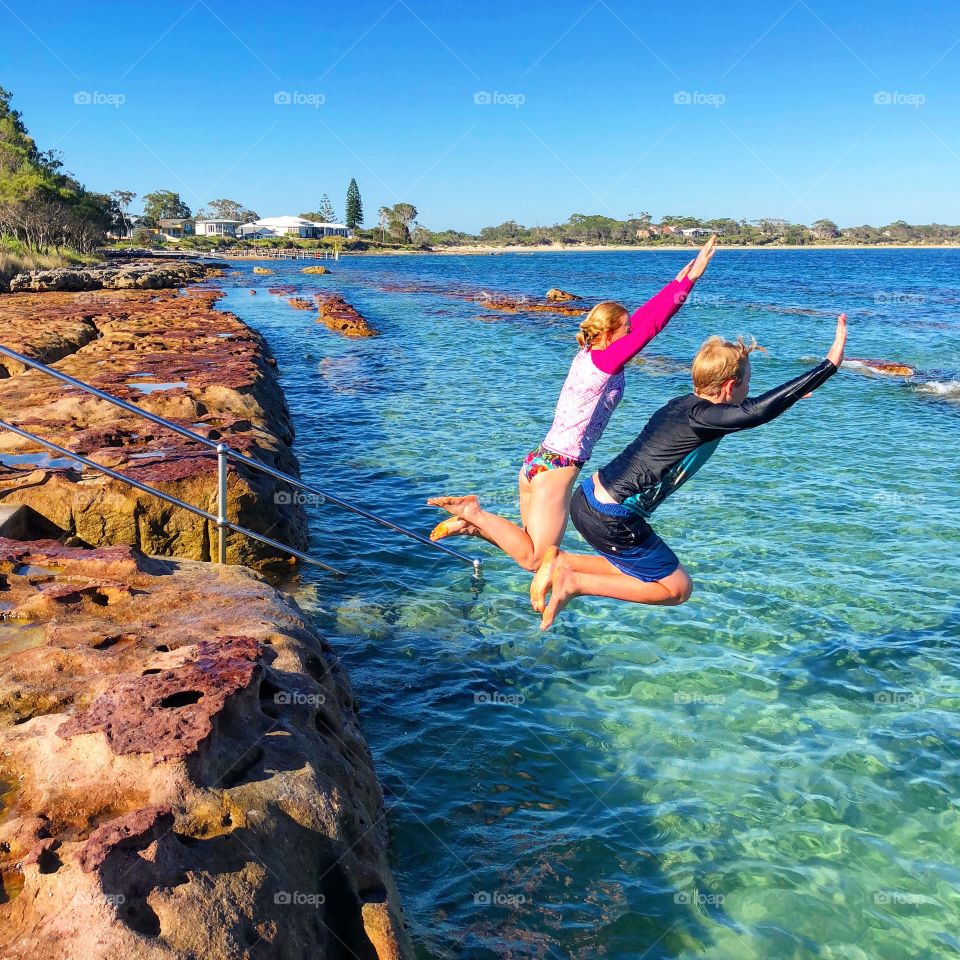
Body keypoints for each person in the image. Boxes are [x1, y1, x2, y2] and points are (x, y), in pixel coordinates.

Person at [531, 313, 849, 630]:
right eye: (748, 383)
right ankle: (573, 582)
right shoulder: (706, 418)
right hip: (610, 517)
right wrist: (828, 366)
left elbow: (750, 409)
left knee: (644, 571)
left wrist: (787, 398)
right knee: (677, 588)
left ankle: (564, 562)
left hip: (588, 498)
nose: (750, 391)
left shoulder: (682, 404)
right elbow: (755, 412)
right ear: (728, 386)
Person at [426, 235, 719, 571]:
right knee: (537, 560)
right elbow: (653, 325)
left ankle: (471, 526)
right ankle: (473, 511)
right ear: (610, 335)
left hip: (538, 461)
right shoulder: (606, 362)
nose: (632, 333)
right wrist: (690, 281)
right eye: (626, 330)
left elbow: (644, 318)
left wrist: (682, 278)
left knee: (529, 543)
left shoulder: (588, 355)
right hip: (559, 468)